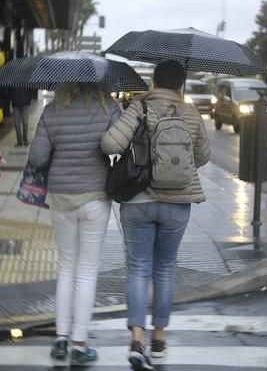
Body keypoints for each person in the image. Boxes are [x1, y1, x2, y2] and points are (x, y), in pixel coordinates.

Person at [101, 60, 210, 371]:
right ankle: (159, 339)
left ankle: (137, 339)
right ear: (181, 84)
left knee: (138, 269)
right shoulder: (191, 113)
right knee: (164, 270)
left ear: (154, 80)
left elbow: (109, 143)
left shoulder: (139, 108)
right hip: (178, 204)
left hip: (138, 201)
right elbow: (203, 157)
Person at [28, 83, 121, 365]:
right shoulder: (109, 109)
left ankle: (60, 338)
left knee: (66, 266)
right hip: (95, 196)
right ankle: (79, 343)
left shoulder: (53, 110)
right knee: (87, 270)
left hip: (61, 197)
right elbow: (119, 145)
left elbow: (38, 157)